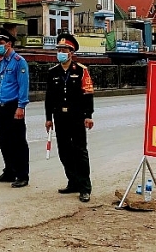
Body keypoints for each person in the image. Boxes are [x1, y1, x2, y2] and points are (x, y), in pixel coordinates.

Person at [45, 33, 95, 202]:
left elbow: (88, 94)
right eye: (58, 49)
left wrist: (88, 116)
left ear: (71, 52)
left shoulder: (81, 70)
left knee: (80, 151)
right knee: (64, 151)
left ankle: (84, 187)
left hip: (77, 116)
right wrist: (48, 118)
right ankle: (72, 181)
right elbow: (49, 98)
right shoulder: (53, 72)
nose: (61, 52)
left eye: (64, 49)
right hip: (60, 117)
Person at [0, 27, 30, 188]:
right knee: (4, 140)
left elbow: (23, 86)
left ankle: (22, 175)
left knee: (18, 142)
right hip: (3, 106)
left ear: (9, 44)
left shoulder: (19, 62)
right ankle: (9, 171)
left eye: (1, 43)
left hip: (15, 106)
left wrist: (21, 107)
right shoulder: (3, 62)